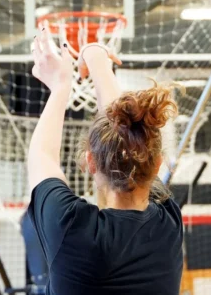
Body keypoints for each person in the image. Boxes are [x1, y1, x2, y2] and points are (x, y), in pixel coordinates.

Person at [26, 25, 183, 295]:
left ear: (90, 162)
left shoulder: (72, 228)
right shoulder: (167, 225)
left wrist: (64, 83)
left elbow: (42, 155)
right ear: (157, 164)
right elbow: (125, 136)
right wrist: (92, 62)